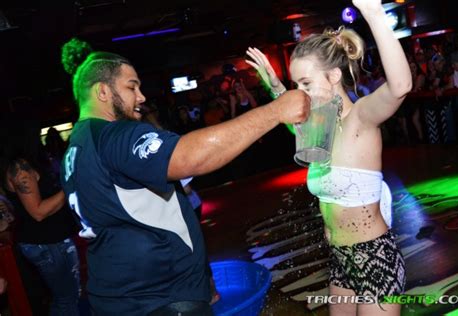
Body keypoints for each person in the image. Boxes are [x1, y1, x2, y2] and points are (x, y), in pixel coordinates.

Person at [59, 38, 310, 315]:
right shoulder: (113, 134)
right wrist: (275, 111)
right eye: (131, 87)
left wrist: (200, 279)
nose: (141, 97)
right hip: (160, 297)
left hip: (122, 293)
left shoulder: (76, 146)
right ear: (103, 92)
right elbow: (188, 158)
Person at [246, 0, 412, 314]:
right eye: (297, 84)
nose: (300, 91)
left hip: (375, 258)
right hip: (340, 258)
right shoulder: (319, 127)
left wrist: (374, 14)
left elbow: (401, 85)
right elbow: (293, 120)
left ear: (334, 76)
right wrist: (275, 85)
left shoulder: (361, 119)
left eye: (306, 83)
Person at [1, 154, 81, 316]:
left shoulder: (26, 165)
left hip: (51, 241)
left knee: (65, 297)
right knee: (67, 298)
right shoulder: (19, 169)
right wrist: (69, 185)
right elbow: (38, 212)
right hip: (48, 242)